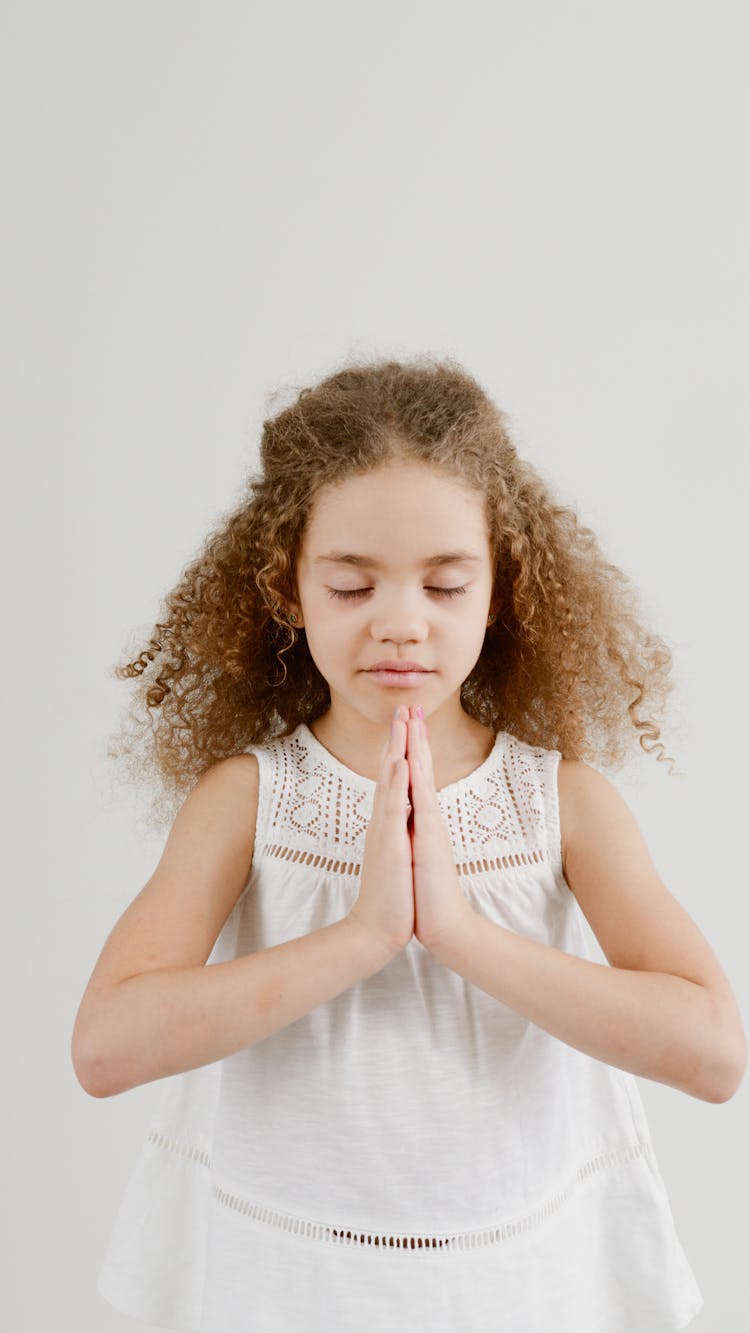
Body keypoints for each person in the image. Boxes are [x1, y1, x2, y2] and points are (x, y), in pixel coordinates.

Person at [72, 354, 745, 1332]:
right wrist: (360, 938)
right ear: (288, 588)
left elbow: (717, 1053)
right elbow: (104, 1047)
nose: (400, 623)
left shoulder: (564, 804)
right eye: (352, 585)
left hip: (517, 1290)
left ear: (500, 590)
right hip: (289, 1288)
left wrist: (463, 932)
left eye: (443, 583)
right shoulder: (247, 801)